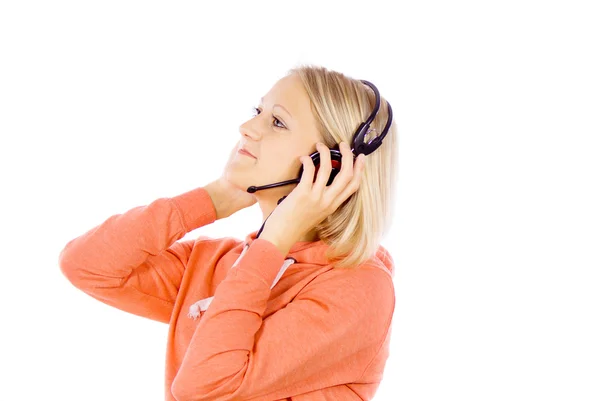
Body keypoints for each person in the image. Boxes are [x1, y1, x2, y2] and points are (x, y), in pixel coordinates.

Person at [59, 64, 399, 400]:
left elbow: (204, 387)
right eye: (258, 111)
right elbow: (85, 265)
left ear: (332, 166)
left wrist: (272, 243)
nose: (246, 127)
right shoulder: (215, 261)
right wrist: (214, 198)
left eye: (277, 122)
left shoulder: (359, 287)